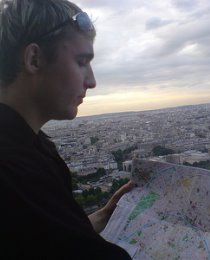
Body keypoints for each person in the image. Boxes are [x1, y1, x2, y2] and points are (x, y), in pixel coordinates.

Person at [0, 0, 134, 258]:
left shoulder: (29, 146)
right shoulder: (15, 170)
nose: (92, 81)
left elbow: (40, 239)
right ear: (34, 59)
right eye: (82, 61)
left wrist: (98, 218)